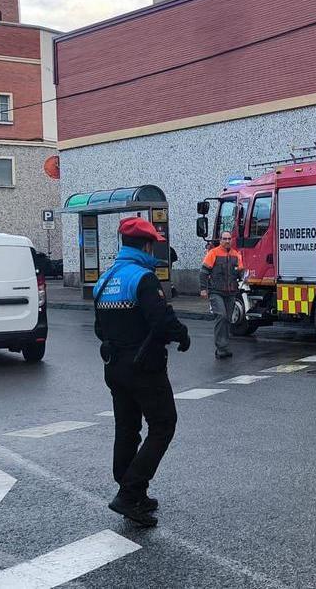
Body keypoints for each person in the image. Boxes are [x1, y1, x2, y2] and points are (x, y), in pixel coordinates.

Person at [94, 217, 190, 527]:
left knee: (127, 428)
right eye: (153, 246)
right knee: (163, 425)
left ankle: (131, 490)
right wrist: (182, 335)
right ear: (147, 246)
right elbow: (161, 322)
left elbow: (99, 328)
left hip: (114, 367)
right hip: (143, 367)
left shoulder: (104, 280)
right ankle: (129, 492)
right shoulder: (143, 278)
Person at [199, 232, 243, 359]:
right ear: (220, 240)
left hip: (231, 292)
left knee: (228, 319)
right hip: (216, 292)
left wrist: (244, 276)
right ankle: (221, 348)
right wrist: (203, 289)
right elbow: (203, 272)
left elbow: (240, 273)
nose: (227, 241)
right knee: (221, 316)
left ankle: (224, 346)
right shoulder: (213, 253)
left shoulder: (236, 254)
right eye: (224, 239)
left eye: (229, 239)